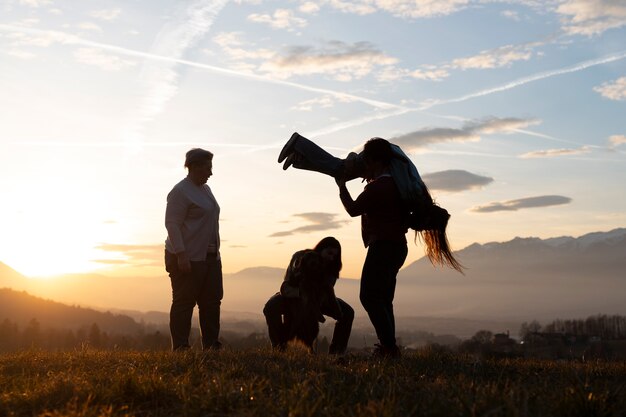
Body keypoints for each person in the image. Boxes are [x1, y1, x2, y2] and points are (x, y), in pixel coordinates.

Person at [278, 132, 464, 273]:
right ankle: (299, 144)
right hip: (381, 156)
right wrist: (372, 178)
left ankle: (299, 158)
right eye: (426, 227)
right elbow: (359, 207)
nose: (423, 230)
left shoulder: (417, 199)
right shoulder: (413, 197)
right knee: (339, 169)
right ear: (427, 219)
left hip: (385, 155)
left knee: (338, 169)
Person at [336, 138, 408, 358]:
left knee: (369, 296)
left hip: (383, 246)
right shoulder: (397, 183)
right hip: (397, 246)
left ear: (375, 160)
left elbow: (354, 209)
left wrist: (342, 187)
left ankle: (388, 347)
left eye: (367, 159)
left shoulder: (380, 187)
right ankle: (389, 346)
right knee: (384, 298)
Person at [164, 148, 223, 351]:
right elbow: (172, 224)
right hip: (187, 256)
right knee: (184, 302)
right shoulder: (180, 191)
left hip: (210, 256)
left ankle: (211, 345)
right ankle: (180, 347)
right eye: (208, 168)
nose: (211, 173)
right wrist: (181, 255)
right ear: (195, 167)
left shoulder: (205, 189)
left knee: (211, 302)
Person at [263, 237, 354, 354]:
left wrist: (314, 307)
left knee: (347, 312)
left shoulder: (332, 268)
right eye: (329, 253)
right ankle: (278, 348)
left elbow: (327, 292)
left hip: (318, 299)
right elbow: (286, 285)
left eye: (335, 256)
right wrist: (302, 294)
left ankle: (336, 354)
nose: (331, 258)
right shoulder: (299, 256)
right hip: (292, 295)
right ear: (320, 249)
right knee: (271, 306)